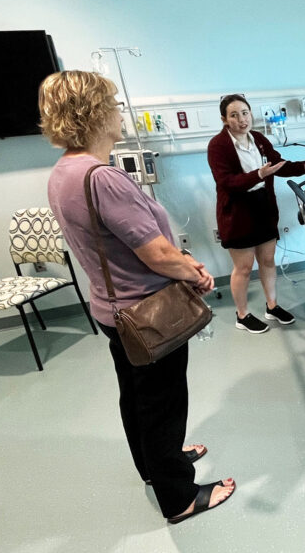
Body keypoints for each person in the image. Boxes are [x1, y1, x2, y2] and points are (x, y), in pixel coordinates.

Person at [42, 70, 235, 523]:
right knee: (164, 404)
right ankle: (180, 497)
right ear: (94, 113)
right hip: (149, 315)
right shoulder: (102, 178)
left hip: (113, 312)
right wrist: (195, 271)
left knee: (136, 396)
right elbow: (157, 254)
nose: (119, 112)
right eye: (113, 104)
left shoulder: (62, 173)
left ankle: (154, 465)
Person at [207, 94, 305, 334]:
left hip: (263, 209)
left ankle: (272, 306)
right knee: (243, 268)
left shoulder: (259, 140)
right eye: (234, 115)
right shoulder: (218, 146)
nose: (241, 119)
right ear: (224, 119)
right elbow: (227, 182)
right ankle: (241, 315)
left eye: (245, 112)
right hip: (237, 213)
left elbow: (278, 165)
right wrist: (258, 175)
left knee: (267, 260)